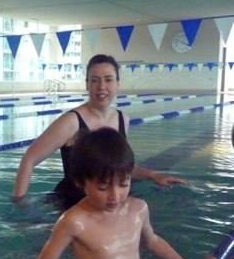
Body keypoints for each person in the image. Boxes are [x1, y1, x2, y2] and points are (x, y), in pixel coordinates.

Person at [32, 128, 219, 259]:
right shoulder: (74, 221)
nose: (115, 195)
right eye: (103, 188)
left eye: (123, 184)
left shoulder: (139, 209)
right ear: (81, 182)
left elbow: (152, 241)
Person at [13, 54, 186, 208]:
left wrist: (153, 175)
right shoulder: (71, 121)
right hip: (72, 205)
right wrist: (20, 204)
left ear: (118, 84)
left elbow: (118, 166)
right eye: (94, 80)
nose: (101, 86)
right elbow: (29, 159)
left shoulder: (122, 119)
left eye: (108, 79)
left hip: (109, 202)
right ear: (87, 84)